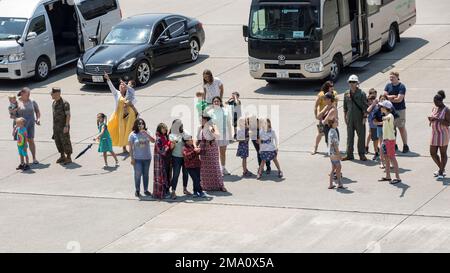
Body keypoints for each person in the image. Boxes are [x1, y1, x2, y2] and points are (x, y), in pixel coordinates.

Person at [104, 73, 137, 154]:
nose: (121, 86)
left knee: (128, 131)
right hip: (119, 115)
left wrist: (135, 111)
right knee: (119, 130)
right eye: (120, 85)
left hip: (129, 115)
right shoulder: (117, 93)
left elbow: (133, 103)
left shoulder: (129, 94)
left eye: (123, 85)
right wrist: (108, 79)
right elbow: (111, 87)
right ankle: (122, 147)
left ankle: (129, 148)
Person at [197, 114, 227, 192]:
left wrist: (212, 129)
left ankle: (221, 185)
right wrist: (195, 146)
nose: (200, 121)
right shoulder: (200, 127)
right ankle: (205, 186)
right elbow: (197, 138)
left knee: (215, 166)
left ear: (206, 120)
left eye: (202, 120)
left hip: (211, 147)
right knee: (204, 168)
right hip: (203, 147)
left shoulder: (213, 126)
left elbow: (217, 135)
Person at [343, 75, 368, 161]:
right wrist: (345, 117)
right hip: (350, 117)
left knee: (361, 136)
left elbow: (365, 107)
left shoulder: (362, 94)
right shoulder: (346, 93)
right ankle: (349, 154)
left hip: (359, 117)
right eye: (350, 82)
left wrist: (365, 117)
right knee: (349, 137)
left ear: (357, 83)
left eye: (353, 82)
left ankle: (362, 154)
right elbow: (345, 107)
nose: (352, 84)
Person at [129, 118, 155, 198]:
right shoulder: (132, 134)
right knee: (138, 174)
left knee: (146, 174)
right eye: (139, 124)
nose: (141, 125)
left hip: (147, 158)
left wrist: (146, 134)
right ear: (136, 125)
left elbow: (153, 141)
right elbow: (130, 148)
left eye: (142, 123)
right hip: (137, 158)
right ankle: (137, 190)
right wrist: (132, 159)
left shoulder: (147, 132)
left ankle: (146, 190)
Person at [384, 71, 409, 153]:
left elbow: (399, 100)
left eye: (393, 77)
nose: (391, 78)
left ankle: (405, 145)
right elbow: (384, 97)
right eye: (390, 77)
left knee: (401, 128)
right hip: (390, 111)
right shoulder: (388, 86)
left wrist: (389, 98)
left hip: (399, 110)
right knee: (392, 129)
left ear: (397, 77)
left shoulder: (401, 86)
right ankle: (394, 145)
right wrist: (392, 97)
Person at [208, 96, 233, 176]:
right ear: (212, 103)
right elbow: (208, 124)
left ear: (220, 102)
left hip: (224, 135)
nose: (216, 102)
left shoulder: (225, 111)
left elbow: (229, 123)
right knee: (214, 153)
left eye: (217, 101)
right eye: (214, 101)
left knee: (222, 152)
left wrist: (230, 135)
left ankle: (223, 168)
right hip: (214, 136)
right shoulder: (210, 112)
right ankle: (216, 169)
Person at [378, 100, 401, 184]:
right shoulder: (386, 115)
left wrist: (384, 118)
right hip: (385, 140)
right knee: (386, 158)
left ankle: (397, 177)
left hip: (390, 140)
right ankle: (388, 176)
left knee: (392, 158)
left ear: (386, 108)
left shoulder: (390, 116)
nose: (380, 108)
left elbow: (388, 118)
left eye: (382, 107)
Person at [312, 81, 339, 154]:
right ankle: (315, 147)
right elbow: (315, 106)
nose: (332, 88)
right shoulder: (321, 95)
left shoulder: (334, 94)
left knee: (331, 133)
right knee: (320, 133)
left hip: (331, 118)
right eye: (331, 86)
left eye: (333, 86)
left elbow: (336, 105)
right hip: (323, 117)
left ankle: (332, 149)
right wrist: (316, 116)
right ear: (327, 87)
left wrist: (336, 116)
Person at [429, 90, 450, 180]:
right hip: (434, 133)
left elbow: (448, 123)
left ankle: (441, 171)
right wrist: (431, 120)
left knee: (443, 153)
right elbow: (433, 118)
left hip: (443, 134)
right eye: (434, 102)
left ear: (441, 101)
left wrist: (437, 119)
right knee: (432, 153)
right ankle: (442, 168)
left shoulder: (447, 110)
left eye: (436, 102)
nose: (435, 104)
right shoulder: (434, 108)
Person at [16, 88, 41, 164]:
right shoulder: (17, 102)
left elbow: (37, 111)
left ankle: (34, 158)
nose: (29, 95)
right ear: (22, 94)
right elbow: (12, 113)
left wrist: (38, 118)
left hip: (30, 125)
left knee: (31, 141)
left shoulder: (32, 101)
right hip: (21, 126)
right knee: (22, 143)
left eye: (29, 94)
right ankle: (24, 161)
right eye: (27, 94)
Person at [169, 119, 191, 200]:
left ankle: (185, 189)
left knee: (185, 173)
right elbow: (171, 147)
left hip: (185, 156)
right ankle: (173, 191)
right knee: (176, 174)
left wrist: (186, 138)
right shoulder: (172, 134)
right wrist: (173, 142)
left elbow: (190, 141)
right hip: (176, 157)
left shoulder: (184, 132)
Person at [51, 87, 73, 165]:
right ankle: (62, 156)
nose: (51, 95)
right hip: (56, 126)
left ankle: (69, 157)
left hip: (63, 126)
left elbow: (68, 115)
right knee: (58, 141)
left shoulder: (65, 103)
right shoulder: (54, 103)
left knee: (65, 141)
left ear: (57, 93)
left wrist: (66, 126)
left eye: (52, 93)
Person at [153, 123, 172, 199]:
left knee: (167, 176)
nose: (164, 130)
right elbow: (161, 150)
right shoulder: (158, 138)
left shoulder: (165, 137)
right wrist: (168, 145)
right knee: (161, 177)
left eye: (165, 128)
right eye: (163, 128)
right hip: (160, 161)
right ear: (159, 129)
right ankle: (162, 193)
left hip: (167, 160)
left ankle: (167, 191)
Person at [327, 119, 343, 189]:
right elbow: (335, 144)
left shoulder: (330, 131)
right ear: (332, 124)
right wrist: (339, 154)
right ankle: (339, 183)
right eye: (336, 122)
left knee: (333, 168)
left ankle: (331, 184)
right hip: (334, 153)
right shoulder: (333, 132)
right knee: (338, 167)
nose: (337, 123)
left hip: (331, 153)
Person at [366, 89, 380, 160]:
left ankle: (380, 151)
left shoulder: (377, 106)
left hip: (378, 126)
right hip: (372, 126)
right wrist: (372, 104)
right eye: (368, 101)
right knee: (375, 140)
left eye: (370, 101)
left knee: (379, 140)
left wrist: (374, 104)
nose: (368, 103)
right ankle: (376, 152)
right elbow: (367, 111)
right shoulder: (370, 107)